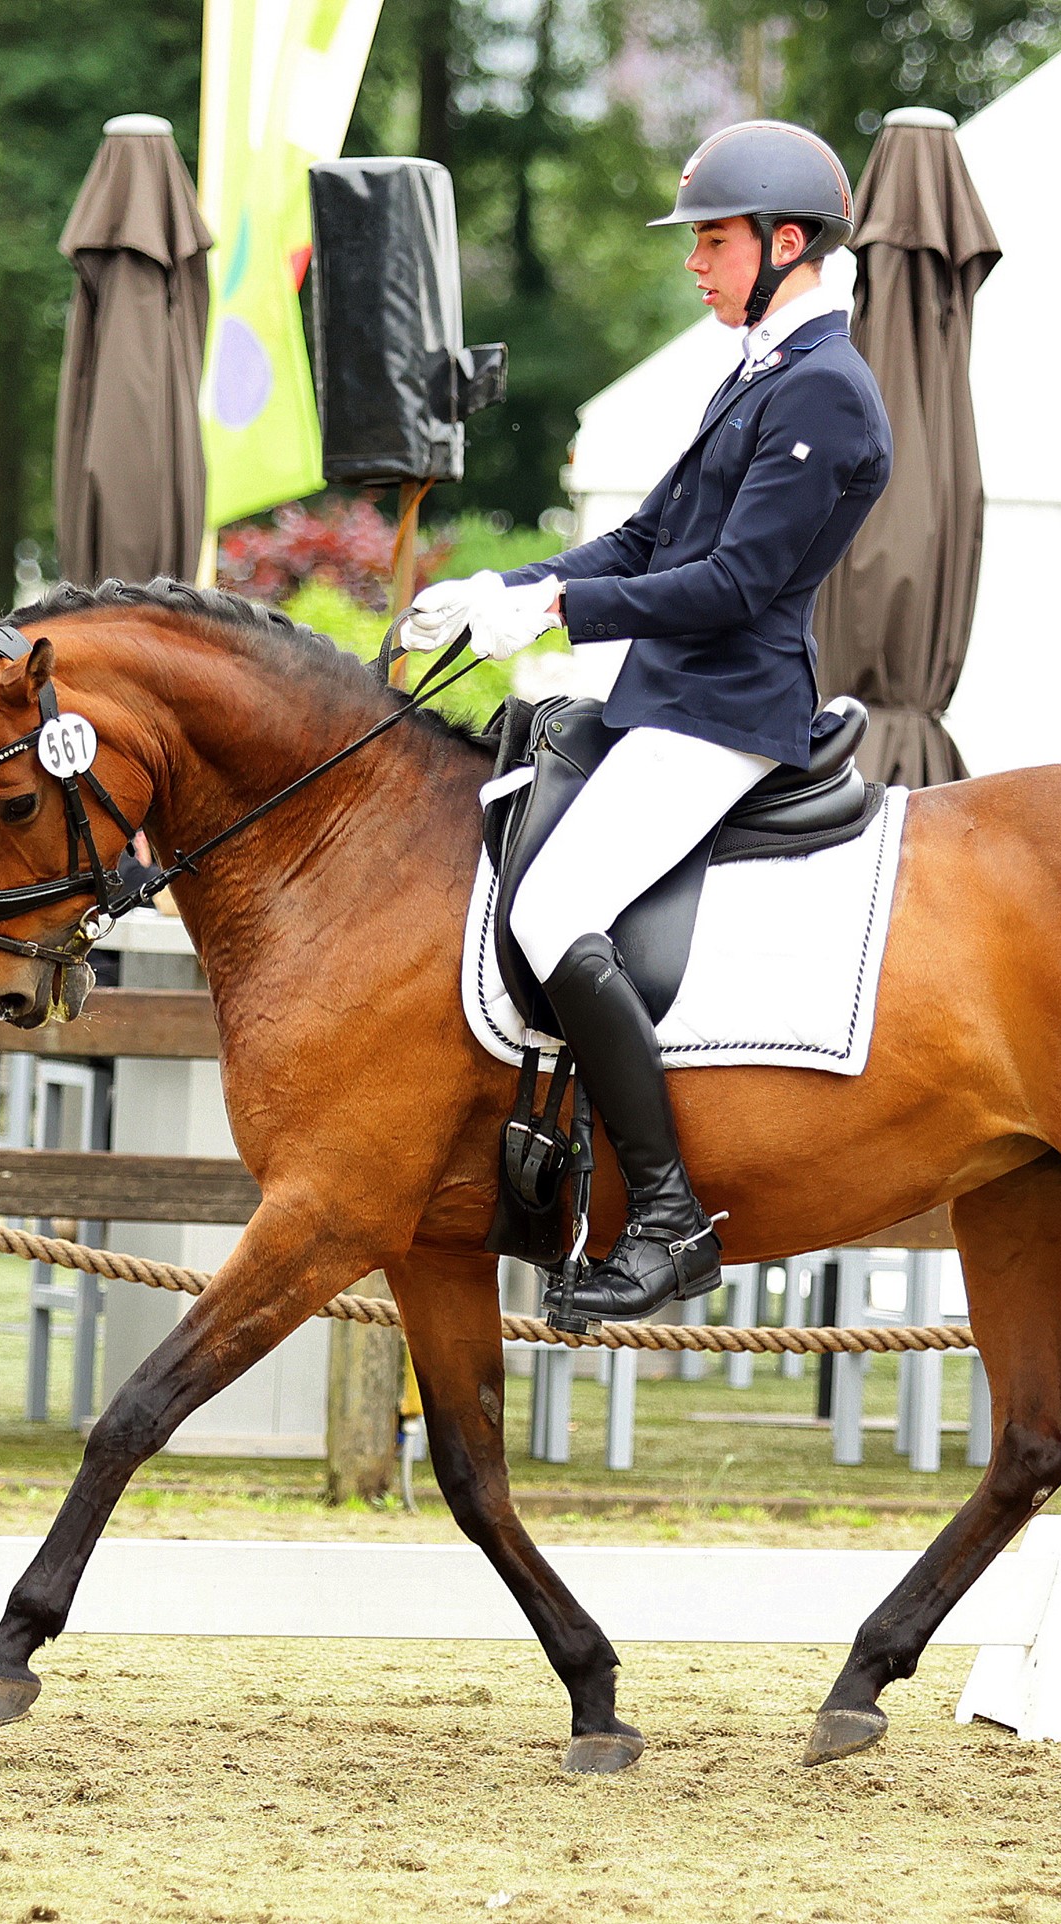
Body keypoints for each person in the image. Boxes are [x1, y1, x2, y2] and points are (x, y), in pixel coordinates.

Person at [401, 120, 892, 1320]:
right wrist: (509, 590)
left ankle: (668, 1216)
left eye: (713, 241)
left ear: (788, 242)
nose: (695, 262)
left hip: (726, 709)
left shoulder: (827, 392)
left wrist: (561, 608)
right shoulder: (760, 372)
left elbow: (731, 584)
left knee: (555, 902)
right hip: (664, 696)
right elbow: (648, 539)